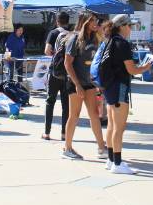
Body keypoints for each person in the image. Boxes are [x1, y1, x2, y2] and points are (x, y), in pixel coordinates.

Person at [102, 14, 153, 174]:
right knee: (119, 126)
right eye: (129, 26)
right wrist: (146, 67)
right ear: (122, 26)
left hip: (109, 87)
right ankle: (117, 163)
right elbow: (131, 69)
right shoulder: (122, 44)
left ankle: (111, 160)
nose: (131, 29)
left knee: (111, 125)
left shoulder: (109, 41)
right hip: (119, 87)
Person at [62, 12, 106, 160]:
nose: (96, 23)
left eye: (96, 21)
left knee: (94, 114)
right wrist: (77, 85)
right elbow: (67, 64)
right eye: (92, 21)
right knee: (74, 115)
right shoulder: (75, 38)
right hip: (75, 83)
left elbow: (96, 62)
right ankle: (67, 148)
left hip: (89, 83)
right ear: (85, 22)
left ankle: (101, 146)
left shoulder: (94, 38)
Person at [43, 11, 71, 141]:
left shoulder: (53, 33)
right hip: (67, 73)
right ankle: (64, 134)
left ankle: (47, 133)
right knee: (66, 105)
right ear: (68, 21)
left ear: (57, 21)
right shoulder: (71, 34)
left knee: (50, 102)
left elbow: (47, 51)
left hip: (54, 72)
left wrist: (55, 54)